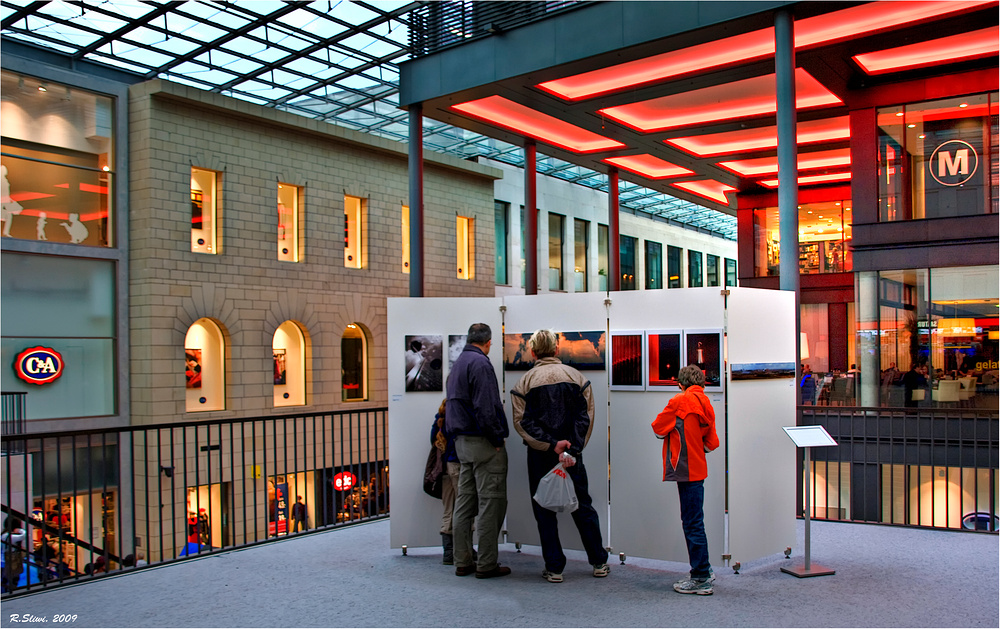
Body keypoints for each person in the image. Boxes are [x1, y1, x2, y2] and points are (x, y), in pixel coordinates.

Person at [511, 328, 610, 583]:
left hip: (540, 455)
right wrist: (571, 448)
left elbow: (522, 422)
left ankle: (554, 568)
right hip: (571, 454)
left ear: (533, 351)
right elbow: (586, 416)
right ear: (556, 349)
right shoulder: (576, 377)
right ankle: (598, 561)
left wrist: (550, 444)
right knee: (583, 506)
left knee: (543, 509)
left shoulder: (524, 383)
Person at [445, 322, 511, 579]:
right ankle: (486, 564)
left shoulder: (458, 365)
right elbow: (486, 407)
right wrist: (496, 438)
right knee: (490, 504)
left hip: (462, 443)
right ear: (488, 342)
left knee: (464, 503)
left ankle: (462, 560)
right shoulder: (481, 364)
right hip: (483, 443)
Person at [651, 365, 720, 596]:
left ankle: (700, 577)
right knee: (696, 521)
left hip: (683, 468)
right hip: (698, 469)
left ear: (680, 383)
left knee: (691, 523)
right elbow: (712, 443)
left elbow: (658, 428)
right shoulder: (706, 403)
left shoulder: (679, 401)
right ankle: (705, 569)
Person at [430, 398, 461, 565]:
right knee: (465, 508)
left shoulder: (440, 418)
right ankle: (465, 549)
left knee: (449, 509)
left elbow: (432, 441)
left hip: (444, 468)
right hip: (458, 464)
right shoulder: (461, 414)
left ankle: (448, 552)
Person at [2, 517, 26, 591]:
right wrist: (20, 530)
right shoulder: (10, 536)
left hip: (5, 559)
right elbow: (24, 535)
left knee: (7, 577)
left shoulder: (4, 535)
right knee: (12, 577)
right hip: (11, 559)